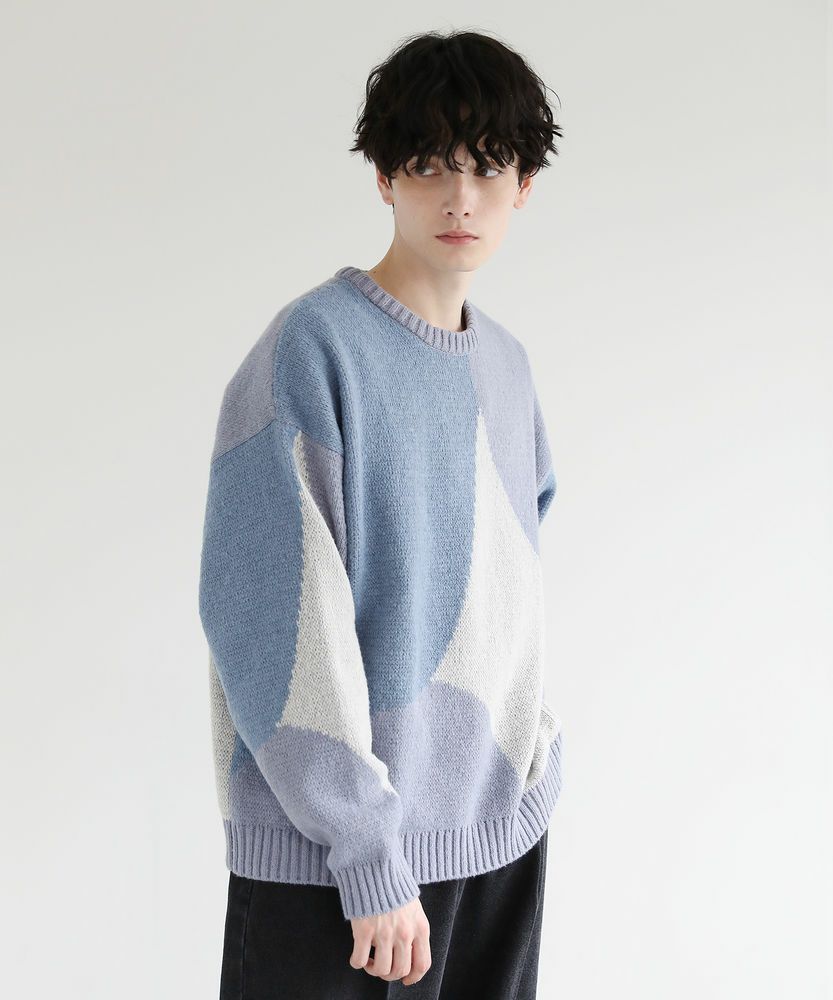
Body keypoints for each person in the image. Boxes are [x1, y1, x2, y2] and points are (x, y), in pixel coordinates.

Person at [198, 27, 565, 999]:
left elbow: (510, 596)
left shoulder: (508, 369)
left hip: (494, 845)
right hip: (337, 873)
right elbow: (265, 617)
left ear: (523, 185)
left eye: (487, 166)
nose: (459, 197)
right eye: (429, 164)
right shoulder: (311, 350)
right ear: (383, 178)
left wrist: (535, 764)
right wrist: (365, 851)